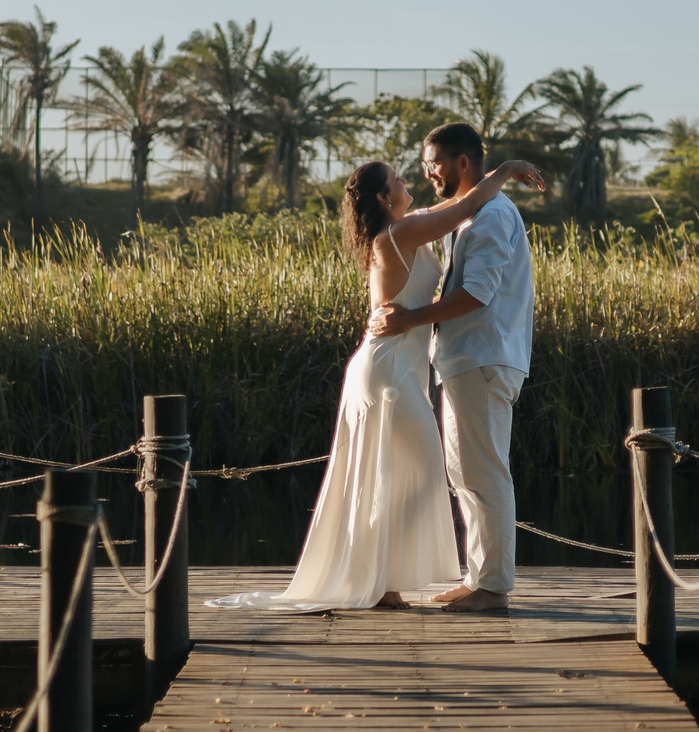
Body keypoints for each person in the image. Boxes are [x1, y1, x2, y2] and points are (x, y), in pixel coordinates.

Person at [205, 150, 545, 613]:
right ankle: (380, 581)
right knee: (419, 473)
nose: (411, 182)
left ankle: (383, 581)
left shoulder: (409, 225)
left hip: (398, 365)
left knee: (403, 474)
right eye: (400, 180)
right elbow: (467, 206)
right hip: (388, 369)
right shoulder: (401, 232)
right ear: (385, 199)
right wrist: (505, 170)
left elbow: (458, 207)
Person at [368, 122, 534, 614]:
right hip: (465, 360)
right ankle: (479, 576)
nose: (427, 172)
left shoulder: (490, 218)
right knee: (466, 472)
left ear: (463, 163)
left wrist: (413, 319)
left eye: (434, 162)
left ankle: (494, 586)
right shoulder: (468, 215)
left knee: (484, 473)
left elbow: (477, 294)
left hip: (484, 357)